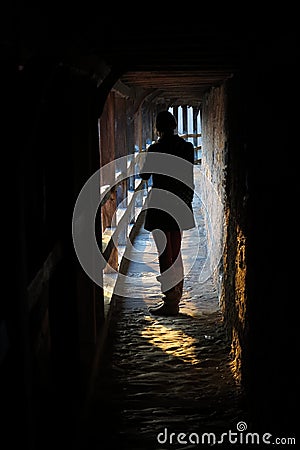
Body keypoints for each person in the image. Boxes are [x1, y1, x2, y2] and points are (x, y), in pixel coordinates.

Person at [139, 110, 196, 316]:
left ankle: (170, 300)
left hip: (161, 205)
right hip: (179, 203)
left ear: (158, 128)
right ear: (174, 126)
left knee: (165, 253)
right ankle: (175, 296)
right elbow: (189, 177)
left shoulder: (156, 148)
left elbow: (144, 175)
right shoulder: (187, 148)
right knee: (176, 252)